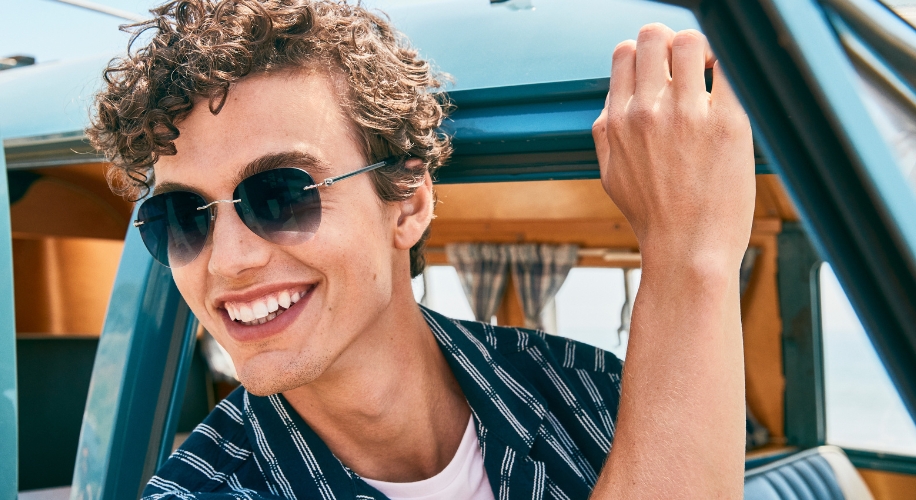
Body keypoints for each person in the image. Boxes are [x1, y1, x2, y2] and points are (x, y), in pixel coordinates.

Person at [88, 1, 754, 498]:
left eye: (281, 195)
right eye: (181, 217)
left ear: (405, 203)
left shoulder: (587, 390)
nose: (228, 260)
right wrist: (690, 256)